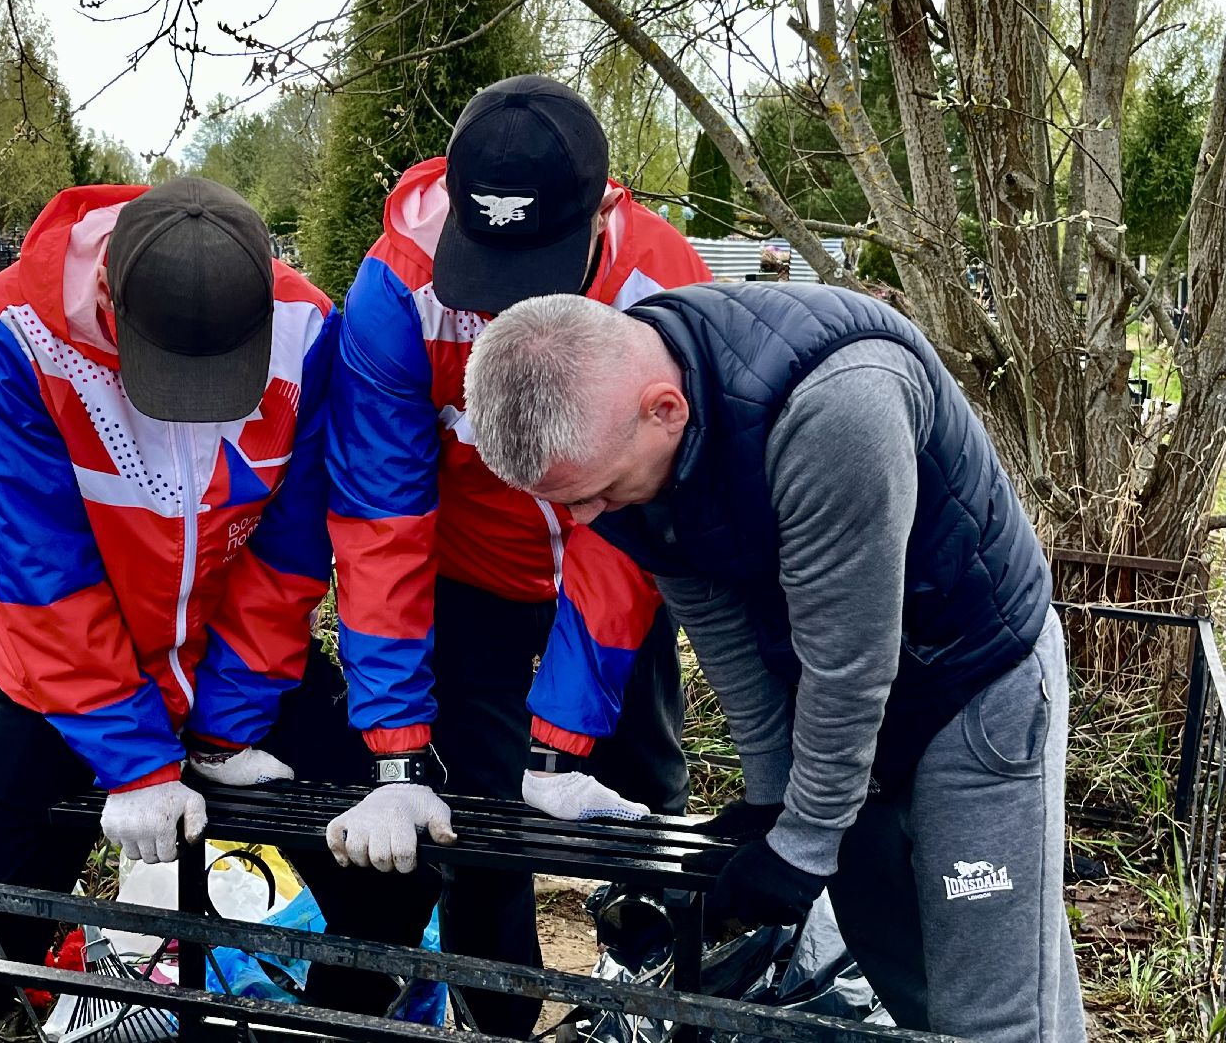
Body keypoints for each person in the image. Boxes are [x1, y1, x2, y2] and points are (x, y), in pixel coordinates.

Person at [462, 283, 1087, 1043]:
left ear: (666, 409)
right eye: (566, 504)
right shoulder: (630, 457)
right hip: (835, 695)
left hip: (970, 684)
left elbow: (851, 660)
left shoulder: (836, 406)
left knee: (988, 1008)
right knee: (902, 967)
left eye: (595, 494)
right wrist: (772, 797)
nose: (585, 520)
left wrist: (805, 840)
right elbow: (718, 622)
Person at [0, 178, 342, 1042]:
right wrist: (137, 760)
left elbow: (288, 549)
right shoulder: (15, 329)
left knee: (388, 878)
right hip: (69, 682)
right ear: (109, 293)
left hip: (237, 662)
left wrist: (227, 724)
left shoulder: (307, 326)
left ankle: (350, 1022)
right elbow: (43, 569)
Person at [323, 74, 711, 1037]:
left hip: (616, 544)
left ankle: (650, 986)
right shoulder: (392, 288)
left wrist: (562, 739)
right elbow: (380, 520)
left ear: (601, 211)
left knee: (641, 785)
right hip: (469, 566)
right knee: (474, 814)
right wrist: (395, 752)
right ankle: (496, 1014)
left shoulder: (662, 285)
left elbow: (633, 529)